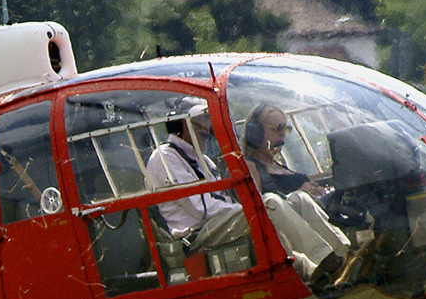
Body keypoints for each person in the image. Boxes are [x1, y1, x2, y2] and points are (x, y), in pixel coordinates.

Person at [147, 98, 351, 283]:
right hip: (200, 233)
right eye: (203, 117)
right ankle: (320, 263)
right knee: (269, 203)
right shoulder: (165, 157)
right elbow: (201, 209)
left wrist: (248, 206)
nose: (209, 124)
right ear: (183, 123)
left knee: (299, 199)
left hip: (220, 222)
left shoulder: (204, 159)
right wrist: (251, 206)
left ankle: (346, 255)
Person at [243, 103, 325, 198]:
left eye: (286, 129)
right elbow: (261, 206)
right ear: (255, 132)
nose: (283, 134)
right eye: (278, 128)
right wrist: (299, 194)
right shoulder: (249, 168)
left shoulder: (276, 165)